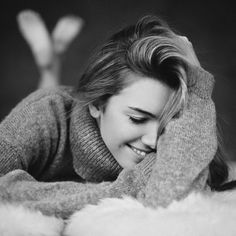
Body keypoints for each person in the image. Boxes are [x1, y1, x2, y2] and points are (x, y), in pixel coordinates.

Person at [0, 15, 229, 219]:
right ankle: (49, 66)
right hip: (54, 111)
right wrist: (127, 190)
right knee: (48, 94)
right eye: (138, 119)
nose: (152, 140)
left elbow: (169, 196)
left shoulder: (173, 145)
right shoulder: (44, 112)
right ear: (97, 104)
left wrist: (197, 88)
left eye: (167, 126)